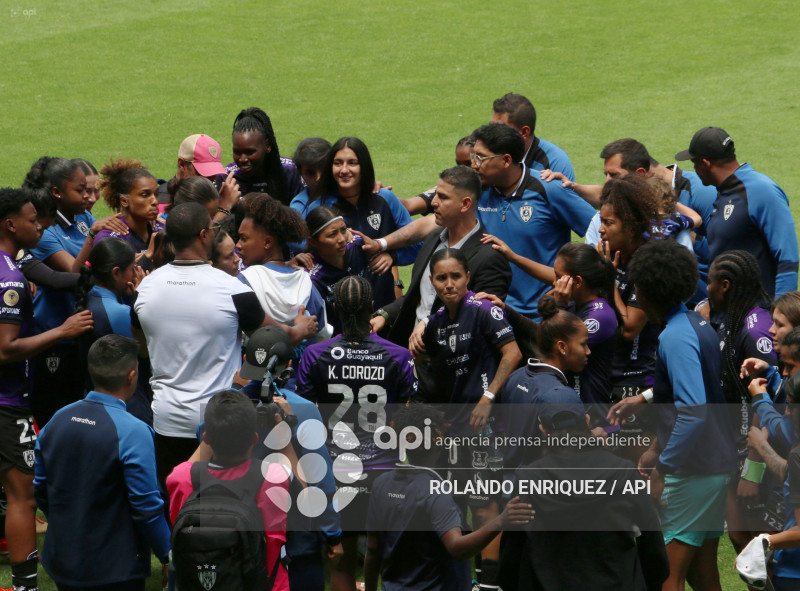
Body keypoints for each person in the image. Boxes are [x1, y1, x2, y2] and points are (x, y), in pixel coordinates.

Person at [611, 238, 737, 591]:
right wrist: (647, 401)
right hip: (714, 465)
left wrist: (662, 468)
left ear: (647, 290)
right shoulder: (695, 324)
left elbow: (693, 413)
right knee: (702, 573)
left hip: (693, 470)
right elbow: (694, 390)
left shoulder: (674, 338)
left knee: (667, 574)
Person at [131, 202, 266, 488]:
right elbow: (268, 341)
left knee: (176, 504)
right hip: (220, 423)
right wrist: (245, 383)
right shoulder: (235, 290)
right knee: (222, 507)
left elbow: (141, 347)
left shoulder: (145, 288)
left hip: (167, 420)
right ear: (204, 235)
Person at [296, 276, 417, 591]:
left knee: (342, 559)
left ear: (334, 308)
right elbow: (408, 413)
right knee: (380, 551)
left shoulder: (315, 355)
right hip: (384, 470)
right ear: (372, 308)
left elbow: (306, 416)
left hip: (337, 467)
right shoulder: (399, 356)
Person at [0, 187, 93, 591]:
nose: (38, 227)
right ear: (10, 224)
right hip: (6, 402)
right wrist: (62, 330)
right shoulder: (10, 280)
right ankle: (25, 585)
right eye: (32, 220)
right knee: (23, 496)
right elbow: (5, 350)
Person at [418, 249, 521, 591]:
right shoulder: (436, 323)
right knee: (456, 498)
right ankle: (463, 575)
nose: (449, 285)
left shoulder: (483, 310)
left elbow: (513, 352)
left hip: (484, 424)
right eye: (441, 278)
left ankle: (490, 581)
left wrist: (488, 397)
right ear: (432, 282)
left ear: (468, 277)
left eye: (456, 276)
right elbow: (438, 372)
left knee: (484, 501)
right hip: (454, 425)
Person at [33, 335, 170, 591]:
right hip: (115, 569)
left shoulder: (57, 420)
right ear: (132, 376)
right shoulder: (134, 431)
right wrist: (167, 555)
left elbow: (41, 487)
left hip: (63, 559)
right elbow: (147, 506)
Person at [499, 387, 668, 591]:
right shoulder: (624, 472)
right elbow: (652, 546)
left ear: (543, 429)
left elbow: (511, 556)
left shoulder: (528, 478)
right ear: (587, 421)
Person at [364, 402, 534, 591]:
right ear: (436, 438)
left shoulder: (381, 484)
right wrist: (501, 520)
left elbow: (373, 549)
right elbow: (457, 548)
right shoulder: (436, 492)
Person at [366, 166, 512, 359]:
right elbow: (417, 296)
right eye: (435, 195)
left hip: (454, 367)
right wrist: (384, 315)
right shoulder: (433, 238)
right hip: (415, 360)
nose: (433, 202)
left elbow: (479, 319)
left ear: (465, 204)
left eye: (442, 197)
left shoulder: (490, 258)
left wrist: (428, 323)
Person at [23, 157, 126, 424]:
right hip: (54, 335)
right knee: (55, 410)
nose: (89, 197)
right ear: (57, 192)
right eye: (81, 190)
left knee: (80, 404)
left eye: (92, 190)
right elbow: (72, 274)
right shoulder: (44, 230)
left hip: (81, 327)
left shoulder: (81, 216)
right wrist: (93, 236)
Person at [167, 389, 291, 591]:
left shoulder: (182, 477)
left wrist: (213, 435)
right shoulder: (274, 477)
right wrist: (284, 429)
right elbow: (304, 486)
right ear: (254, 439)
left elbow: (185, 472)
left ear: (205, 438)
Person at [469, 123, 595, 318]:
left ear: (506, 160)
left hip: (544, 314)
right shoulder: (477, 190)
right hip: (494, 311)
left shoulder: (548, 189)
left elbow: (598, 229)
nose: (474, 164)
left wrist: (573, 285)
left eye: (481, 158)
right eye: (473, 156)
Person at [675, 126, 799, 300]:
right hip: (729, 315)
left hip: (757, 315)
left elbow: (787, 257)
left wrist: (781, 314)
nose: (694, 170)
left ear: (704, 164)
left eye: (694, 163)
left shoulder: (761, 191)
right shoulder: (725, 192)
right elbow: (723, 250)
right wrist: (690, 236)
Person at [310, 136, 421, 276]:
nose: (344, 170)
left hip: (384, 296)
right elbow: (309, 254)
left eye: (352, 163)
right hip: (340, 295)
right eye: (337, 163)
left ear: (364, 165)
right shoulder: (320, 207)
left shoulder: (385, 198)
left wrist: (393, 256)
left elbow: (418, 243)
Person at [498, 304, 590, 471]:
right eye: (583, 344)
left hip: (511, 485)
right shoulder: (560, 397)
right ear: (562, 347)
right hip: (540, 490)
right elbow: (569, 455)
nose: (588, 351)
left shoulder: (514, 377)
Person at [597, 176, 661, 410]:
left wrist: (607, 278)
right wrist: (514, 258)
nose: (601, 230)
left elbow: (630, 328)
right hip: (606, 370)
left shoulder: (650, 263)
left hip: (636, 377)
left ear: (631, 226)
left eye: (609, 223)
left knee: (633, 445)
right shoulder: (613, 255)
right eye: (600, 221)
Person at [74, 238, 151, 424]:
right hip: (127, 407)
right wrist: (143, 298)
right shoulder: (118, 313)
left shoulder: (89, 297)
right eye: (133, 268)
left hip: (95, 398)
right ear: (117, 273)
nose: (137, 273)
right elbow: (148, 350)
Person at [236, 192, 330, 345]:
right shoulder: (305, 280)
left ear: (267, 242)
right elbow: (322, 334)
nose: (238, 245)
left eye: (243, 238)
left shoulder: (245, 281)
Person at [305, 206, 380, 334]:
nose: (342, 239)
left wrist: (389, 256)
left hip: (375, 327)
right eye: (332, 234)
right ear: (313, 242)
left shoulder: (360, 246)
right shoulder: (312, 278)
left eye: (343, 230)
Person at [224, 107, 304, 204]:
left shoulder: (290, 172)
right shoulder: (227, 179)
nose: (242, 159)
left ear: (267, 146)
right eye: (237, 152)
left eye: (250, 152)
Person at [491, 92, 575, 180]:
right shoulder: (486, 156)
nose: (491, 135)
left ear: (524, 132)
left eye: (500, 129)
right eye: (491, 127)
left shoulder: (554, 162)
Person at [95, 158, 163, 266]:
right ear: (124, 201)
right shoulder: (110, 239)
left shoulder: (162, 229)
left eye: (156, 194)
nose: (155, 201)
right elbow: (115, 280)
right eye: (145, 195)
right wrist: (147, 257)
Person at [160, 134, 239, 221]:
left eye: (214, 172)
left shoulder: (213, 196)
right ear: (182, 164)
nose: (212, 179)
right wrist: (224, 208)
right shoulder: (161, 202)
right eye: (203, 172)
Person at [400, 136, 475, 216]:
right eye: (459, 165)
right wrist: (386, 196)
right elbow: (409, 205)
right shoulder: (451, 188)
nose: (463, 171)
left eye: (468, 164)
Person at [290, 137, 332, 217]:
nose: (318, 178)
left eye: (324, 169)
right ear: (300, 173)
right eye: (310, 172)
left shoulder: (350, 190)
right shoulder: (299, 207)